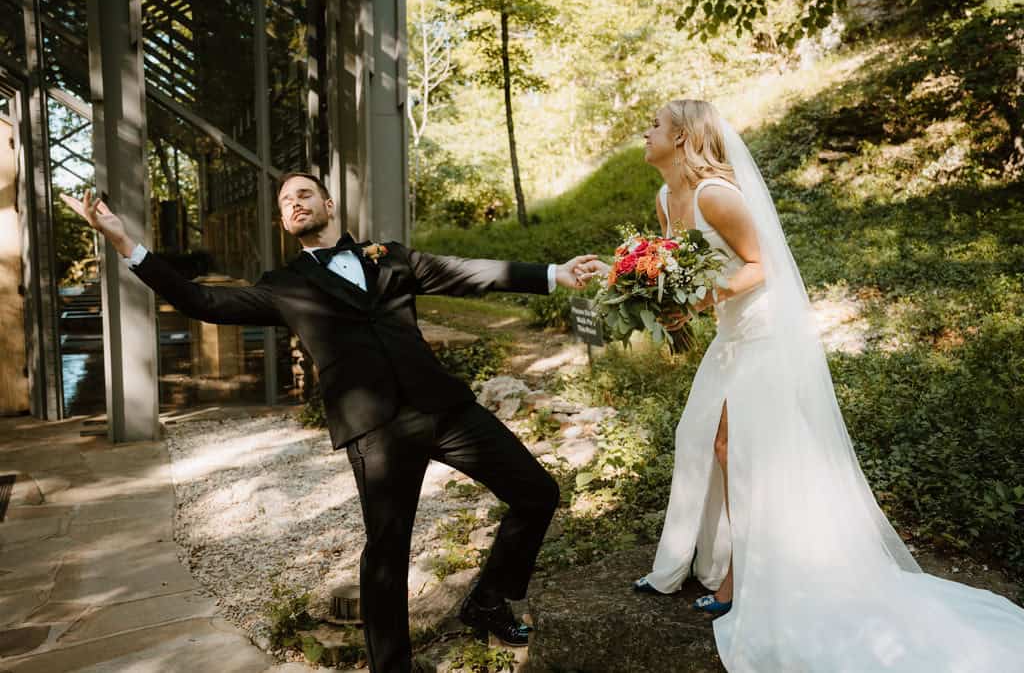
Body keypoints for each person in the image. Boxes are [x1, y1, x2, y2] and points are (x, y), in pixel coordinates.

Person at [64, 173, 600, 673]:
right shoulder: (284, 286)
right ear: (284, 224)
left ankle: (486, 601)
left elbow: (468, 272)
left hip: (445, 408)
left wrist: (554, 273)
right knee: (388, 551)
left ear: (329, 205)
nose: (293, 204)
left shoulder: (389, 256)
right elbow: (201, 301)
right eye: (284, 204)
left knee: (538, 492)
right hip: (376, 429)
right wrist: (122, 241)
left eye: (303, 195)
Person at [574, 100, 1024, 671]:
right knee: (699, 439)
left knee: (732, 448)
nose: (645, 132)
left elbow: (763, 265)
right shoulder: (667, 199)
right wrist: (663, 303)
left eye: (656, 125)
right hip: (728, 335)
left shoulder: (717, 195)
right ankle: (692, 558)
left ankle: (741, 580)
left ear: (684, 137)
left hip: (761, 331)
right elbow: (674, 265)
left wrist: (700, 300)